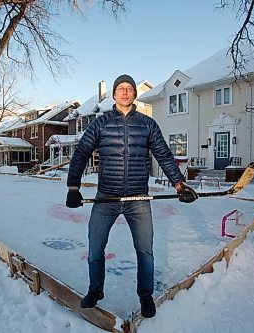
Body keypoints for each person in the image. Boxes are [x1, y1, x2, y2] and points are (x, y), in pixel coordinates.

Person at [65, 74, 198, 318]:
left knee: (145, 250)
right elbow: (82, 152)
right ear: (114, 94)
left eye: (129, 88)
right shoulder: (101, 123)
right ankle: (96, 290)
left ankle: (145, 295)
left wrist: (179, 184)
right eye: (120, 88)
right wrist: (73, 187)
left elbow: (164, 155)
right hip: (107, 198)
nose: (125, 92)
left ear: (134, 94)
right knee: (95, 249)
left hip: (138, 199)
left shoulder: (148, 124)